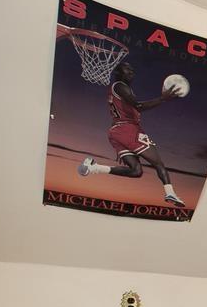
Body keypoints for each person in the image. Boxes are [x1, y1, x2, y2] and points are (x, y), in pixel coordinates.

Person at [77, 62, 185, 207]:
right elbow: (139, 106)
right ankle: (170, 193)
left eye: (132, 70)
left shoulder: (119, 89)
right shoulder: (120, 86)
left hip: (116, 131)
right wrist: (163, 98)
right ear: (118, 73)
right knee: (158, 163)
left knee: (136, 171)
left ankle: (94, 168)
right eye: (127, 69)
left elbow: (131, 107)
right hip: (128, 130)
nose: (131, 72)